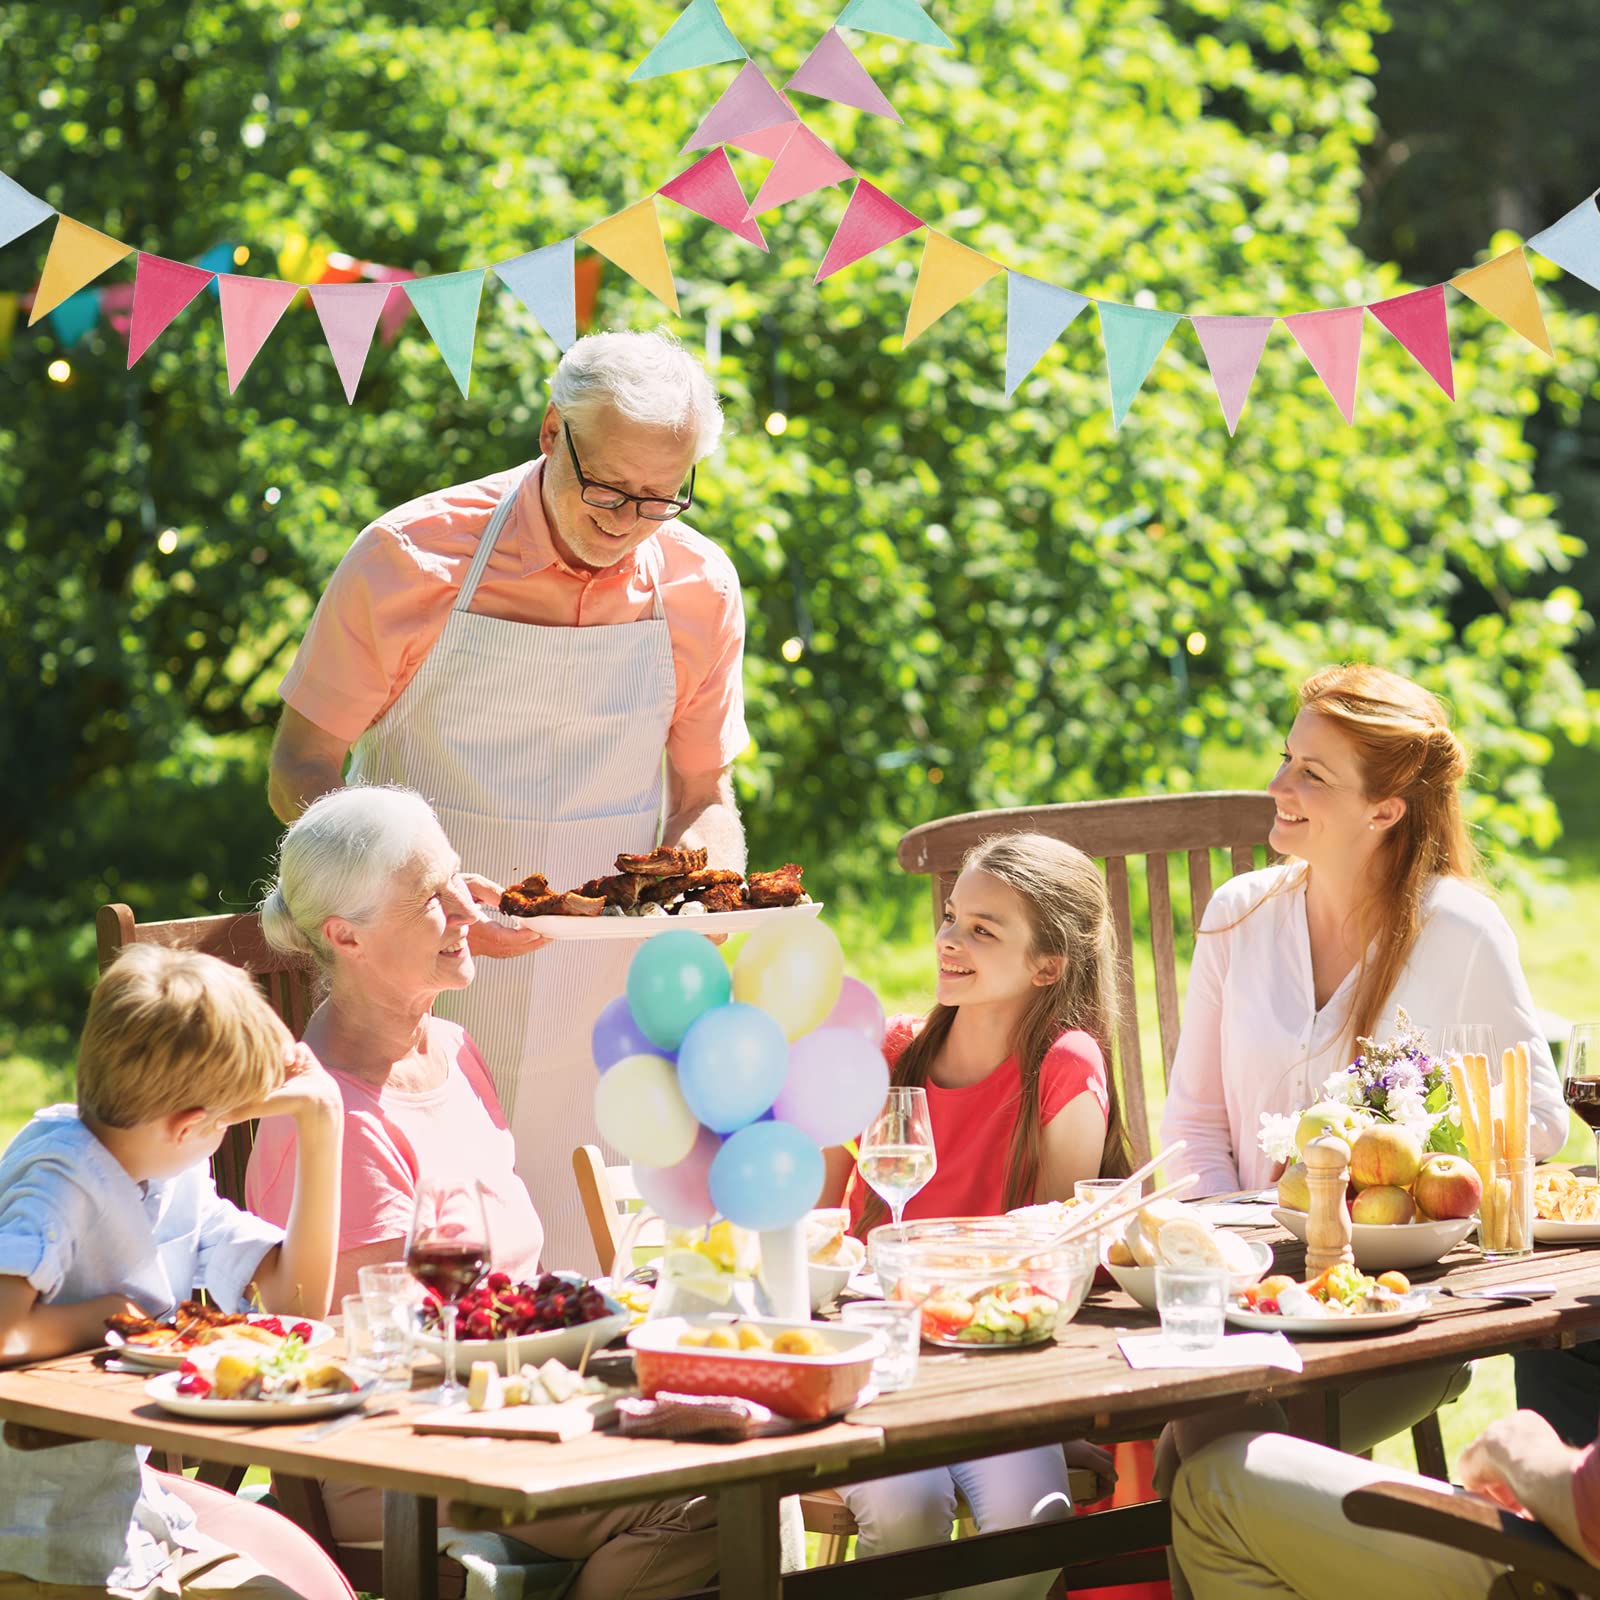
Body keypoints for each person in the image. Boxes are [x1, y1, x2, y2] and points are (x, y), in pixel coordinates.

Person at [266, 330, 748, 1269]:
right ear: (551, 431)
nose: (629, 520)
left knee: (607, 1271)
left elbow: (703, 795)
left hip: (614, 997)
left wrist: (715, 894)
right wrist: (424, 895)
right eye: (608, 489)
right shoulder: (409, 554)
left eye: (660, 497)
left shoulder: (699, 584)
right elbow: (299, 768)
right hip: (419, 976)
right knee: (433, 1274)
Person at [246, 785, 717, 1600]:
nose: (468, 908)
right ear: (345, 936)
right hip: (406, 1459)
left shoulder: (453, 1049)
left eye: (458, 878)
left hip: (518, 1408)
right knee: (716, 1502)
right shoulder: (335, 1116)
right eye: (432, 897)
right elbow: (384, 1363)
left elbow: (502, 1300)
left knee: (751, 1451)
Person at [819, 832, 1125, 1600]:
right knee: (908, 1504)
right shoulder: (892, 1053)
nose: (949, 940)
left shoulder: (1064, 1065)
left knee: (1037, 1519)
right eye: (952, 916)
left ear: (1047, 965)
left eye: (983, 930)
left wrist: (1056, 1422)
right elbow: (818, 1227)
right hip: (879, 1361)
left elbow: (1056, 1256)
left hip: (994, 1372)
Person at [0, 944, 352, 1600]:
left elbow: (297, 1304)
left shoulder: (172, 1170)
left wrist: (322, 1122)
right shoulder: (57, 1178)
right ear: (191, 1126)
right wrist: (112, 1317)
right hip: (40, 1546)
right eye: (227, 1121)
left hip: (131, 1520)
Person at [1160, 662, 1565, 1197]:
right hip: (1248, 1243)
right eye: (1287, 757)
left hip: (1402, 1245)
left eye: (1312, 774)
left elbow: (1541, 1119)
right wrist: (1229, 1231)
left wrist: (1403, 1141)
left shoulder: (1463, 931)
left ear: (1384, 812)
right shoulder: (1239, 913)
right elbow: (1194, 1129)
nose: (1277, 785)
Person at [1169, 1405, 1600, 1598]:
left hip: (1565, 1577)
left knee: (1211, 1490)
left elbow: (1590, 1510)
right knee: (1194, 1436)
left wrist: (1516, 1442)